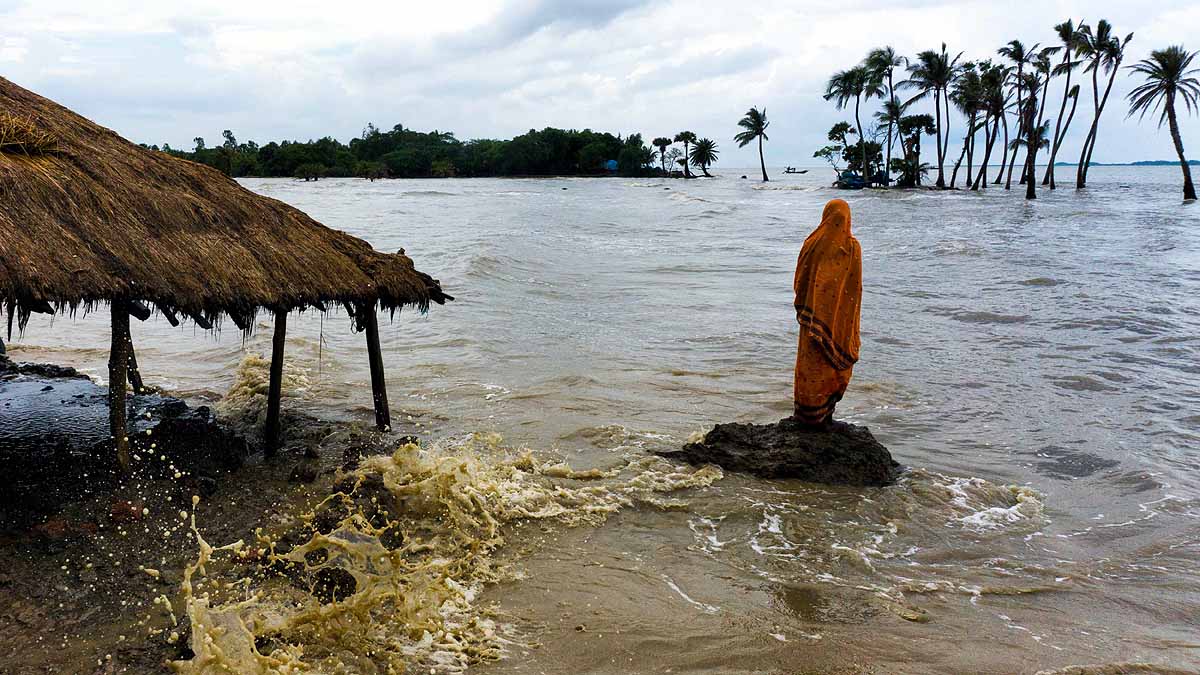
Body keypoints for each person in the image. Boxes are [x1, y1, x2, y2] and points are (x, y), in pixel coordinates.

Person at [793, 199, 862, 428]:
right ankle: (824, 417)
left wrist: (811, 308)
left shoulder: (811, 243)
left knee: (810, 366)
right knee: (829, 368)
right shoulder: (852, 247)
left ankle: (808, 416)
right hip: (839, 323)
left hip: (812, 321)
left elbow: (800, 281)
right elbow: (854, 289)